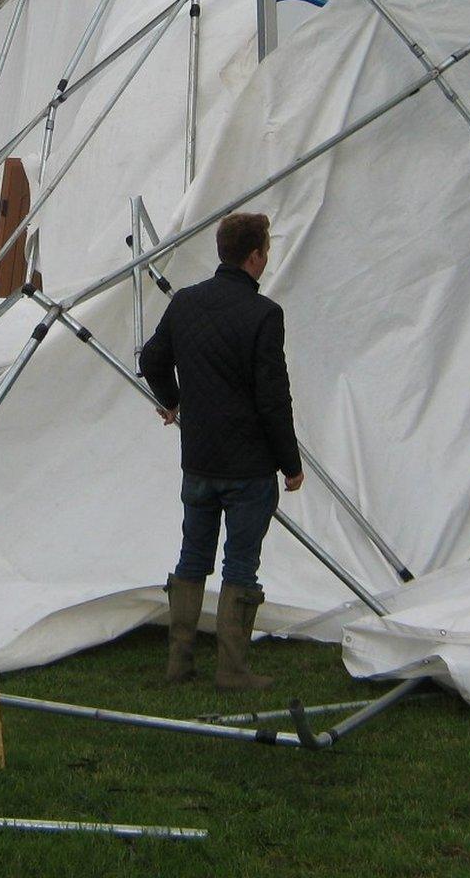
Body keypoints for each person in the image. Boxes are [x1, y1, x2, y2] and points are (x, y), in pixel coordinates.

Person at [140, 212, 303, 691]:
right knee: (240, 563)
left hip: (200, 456)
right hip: (249, 463)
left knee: (192, 556)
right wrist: (290, 463)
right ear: (254, 256)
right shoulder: (264, 314)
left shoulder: (186, 303)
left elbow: (151, 359)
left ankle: (179, 665)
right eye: (266, 251)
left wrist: (173, 401)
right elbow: (273, 398)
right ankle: (232, 669)